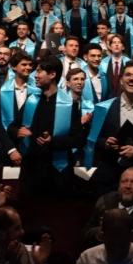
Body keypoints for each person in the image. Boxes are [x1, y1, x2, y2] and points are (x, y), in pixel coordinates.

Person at [83, 62, 133, 194]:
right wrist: (105, 143)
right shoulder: (103, 108)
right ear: (121, 81)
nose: (131, 79)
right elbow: (92, 140)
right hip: (109, 174)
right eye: (128, 75)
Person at [18, 56, 85, 197]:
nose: (35, 75)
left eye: (39, 71)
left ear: (52, 74)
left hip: (57, 174)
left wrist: (53, 141)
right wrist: (18, 132)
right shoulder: (31, 101)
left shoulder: (69, 104)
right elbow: (13, 126)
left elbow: (78, 138)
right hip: (32, 172)